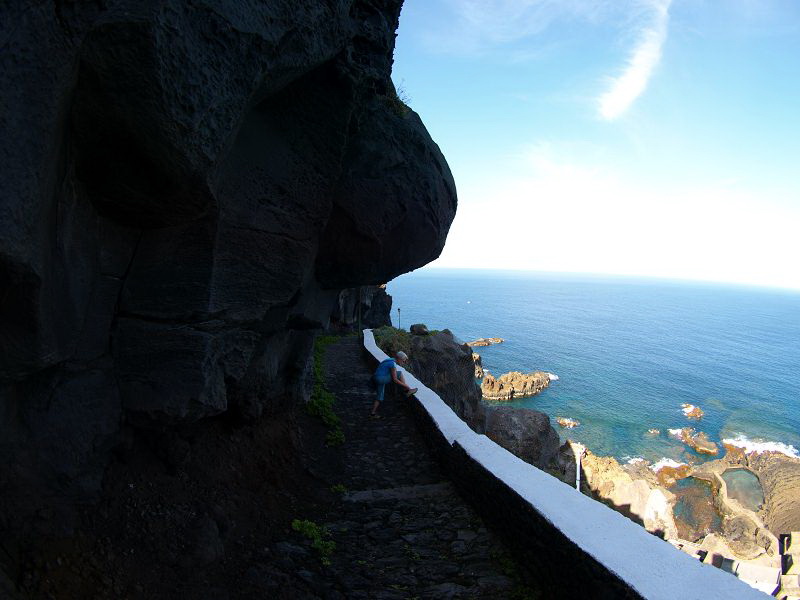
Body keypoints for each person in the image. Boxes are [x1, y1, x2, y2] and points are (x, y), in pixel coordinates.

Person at [370, 351, 418, 418]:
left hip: (376, 378)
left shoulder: (388, 360)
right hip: (381, 379)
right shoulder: (392, 364)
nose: (403, 363)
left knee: (380, 397)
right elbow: (395, 379)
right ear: (399, 359)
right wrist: (406, 386)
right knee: (399, 373)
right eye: (403, 361)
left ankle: (373, 413)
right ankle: (407, 390)